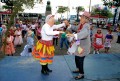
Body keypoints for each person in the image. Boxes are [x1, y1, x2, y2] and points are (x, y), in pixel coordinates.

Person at [66, 11, 91, 80]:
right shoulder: (81, 24)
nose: (80, 18)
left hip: (83, 46)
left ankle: (81, 74)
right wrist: (69, 25)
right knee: (77, 57)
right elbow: (75, 28)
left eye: (82, 17)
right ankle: (78, 69)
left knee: (80, 59)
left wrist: (73, 35)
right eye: (81, 17)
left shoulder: (87, 26)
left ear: (86, 19)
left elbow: (85, 33)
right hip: (79, 45)